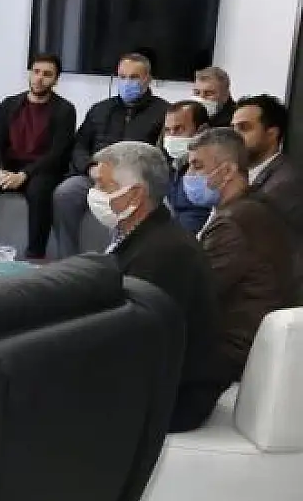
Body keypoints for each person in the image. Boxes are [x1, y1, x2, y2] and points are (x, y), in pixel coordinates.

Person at [87, 141, 218, 434]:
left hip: (171, 398)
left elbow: (133, 342)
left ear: (135, 194)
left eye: (103, 186)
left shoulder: (164, 254)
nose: (94, 193)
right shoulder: (144, 235)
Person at [179, 128, 295, 430]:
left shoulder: (234, 222)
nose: (189, 176)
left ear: (227, 171)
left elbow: (195, 293)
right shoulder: (255, 207)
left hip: (229, 353)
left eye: (197, 166)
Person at [0, 53, 76, 257]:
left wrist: (24, 175)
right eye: (36, 72)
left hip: (41, 170)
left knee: (40, 192)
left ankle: (35, 256)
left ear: (56, 80)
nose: (39, 78)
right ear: (29, 73)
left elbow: (57, 153)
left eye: (47, 74)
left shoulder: (65, 110)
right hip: (9, 166)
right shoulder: (9, 104)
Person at [53, 53, 169, 257]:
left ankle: (120, 259)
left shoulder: (163, 112)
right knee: (65, 193)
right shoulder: (101, 109)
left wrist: (130, 179)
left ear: (148, 79)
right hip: (96, 174)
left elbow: (160, 157)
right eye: (122, 77)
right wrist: (90, 168)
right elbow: (79, 146)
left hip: (132, 182)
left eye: (134, 77)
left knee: (125, 203)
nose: (127, 82)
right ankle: (67, 258)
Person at [231, 95, 303, 297]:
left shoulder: (284, 184)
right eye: (233, 128)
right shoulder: (244, 174)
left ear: (271, 133)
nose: (234, 137)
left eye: (244, 128)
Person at [160, 100, 213, 234]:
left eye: (179, 129)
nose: (171, 136)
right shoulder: (171, 165)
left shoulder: (213, 169)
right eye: (167, 130)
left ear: (202, 131)